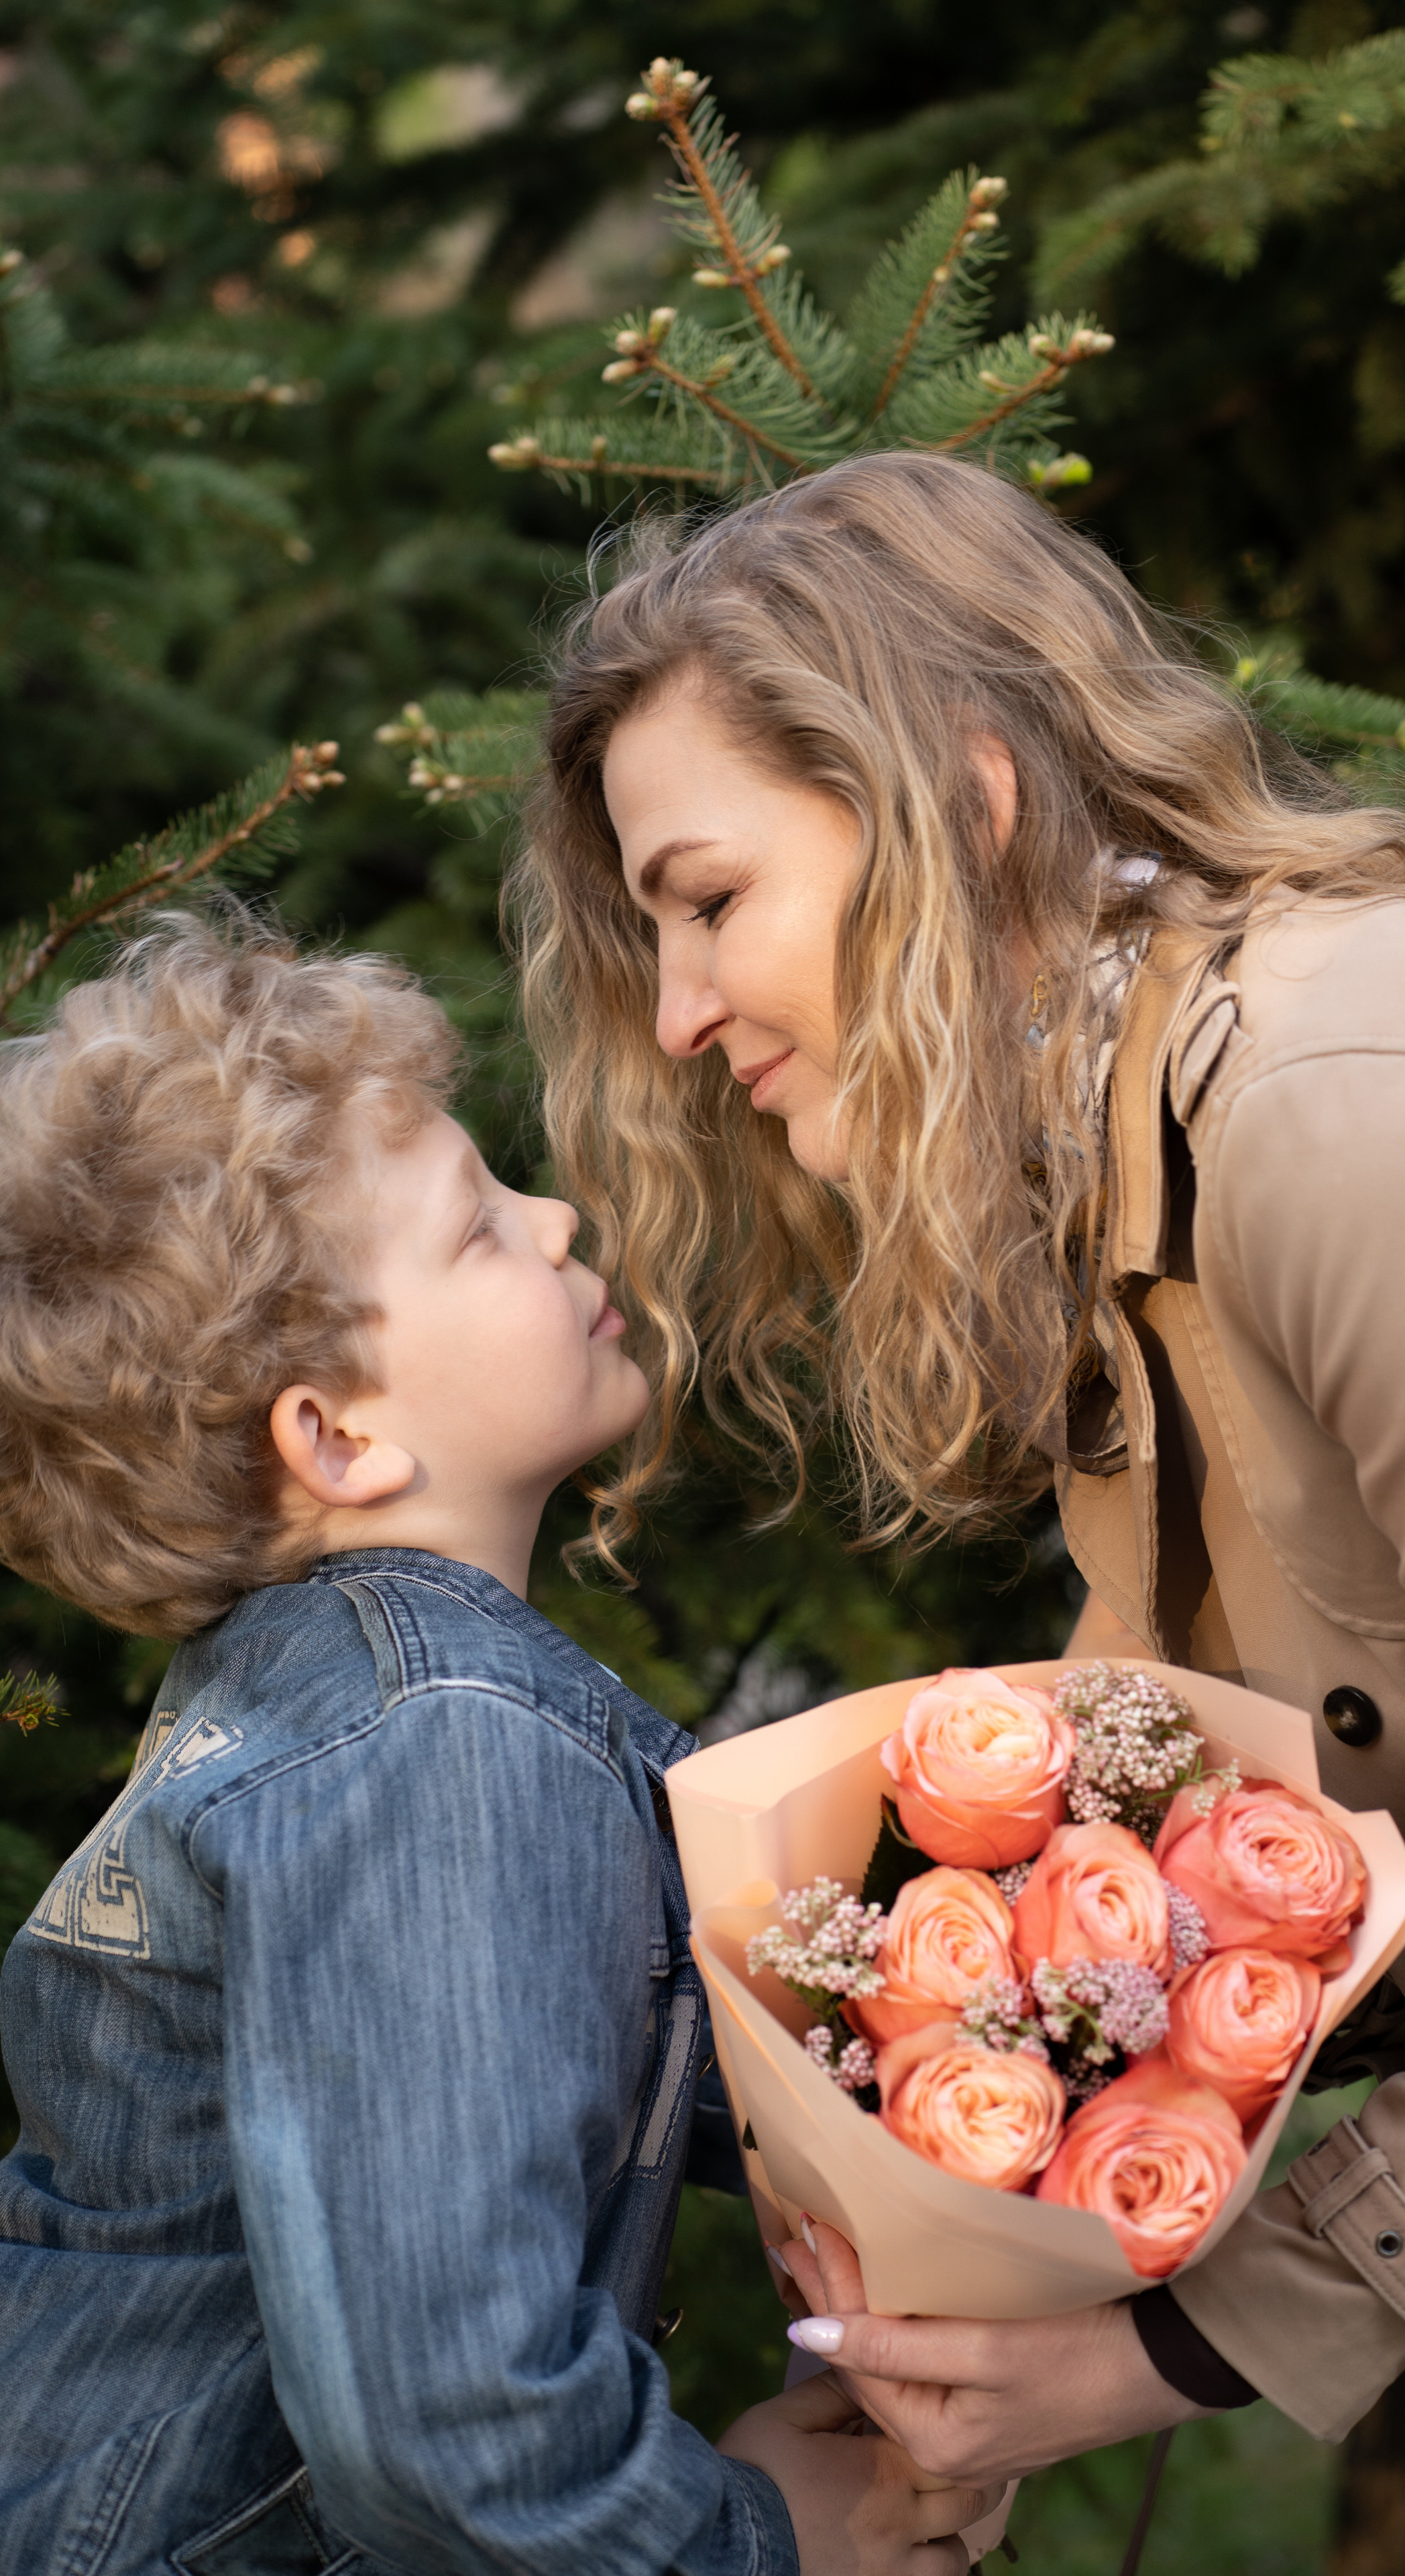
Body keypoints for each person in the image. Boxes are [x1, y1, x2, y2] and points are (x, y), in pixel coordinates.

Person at [511, 449, 1405, 2572]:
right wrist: (941, 2201)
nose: (683, 1018)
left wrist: (1188, 2348)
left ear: (964, 802)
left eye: (709, 899)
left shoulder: (1361, 1130)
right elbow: (1195, 1834)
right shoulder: (1127, 1192)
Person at [0, 916, 998, 2576]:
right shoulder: (438, 1745)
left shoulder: (331, 1707)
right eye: (478, 1228)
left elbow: (710, 2049)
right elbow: (450, 2421)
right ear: (334, 1436)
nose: (554, 1216)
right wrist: (755, 2548)